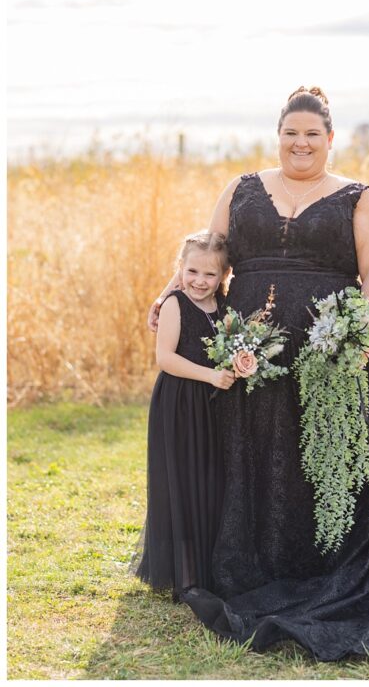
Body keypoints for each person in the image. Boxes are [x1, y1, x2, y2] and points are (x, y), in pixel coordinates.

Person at [147, 87, 369, 665]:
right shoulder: (241, 190)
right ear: (279, 135)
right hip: (252, 358)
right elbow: (209, 255)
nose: (301, 143)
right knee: (255, 454)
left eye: (312, 134)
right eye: (291, 132)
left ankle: (331, 560)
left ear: (330, 139)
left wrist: (362, 342)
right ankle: (254, 560)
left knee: (327, 461)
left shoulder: (359, 199)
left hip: (328, 360)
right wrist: (168, 295)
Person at [134, 231, 235, 599]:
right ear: (180, 269)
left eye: (210, 275)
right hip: (180, 401)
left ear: (223, 276)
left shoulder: (223, 307)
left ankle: (211, 566)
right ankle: (184, 571)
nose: (199, 281)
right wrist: (211, 375)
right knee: (183, 480)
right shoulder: (176, 303)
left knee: (210, 480)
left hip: (212, 404)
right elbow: (166, 359)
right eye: (192, 271)